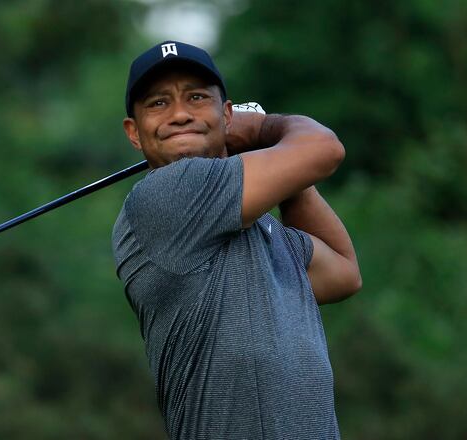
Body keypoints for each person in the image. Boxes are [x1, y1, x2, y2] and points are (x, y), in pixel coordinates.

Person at [112, 40, 361, 439]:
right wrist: (264, 129)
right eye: (158, 103)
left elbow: (344, 273)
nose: (180, 114)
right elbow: (324, 149)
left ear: (225, 115)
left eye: (196, 97)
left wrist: (284, 172)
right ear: (134, 133)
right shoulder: (166, 197)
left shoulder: (264, 230)